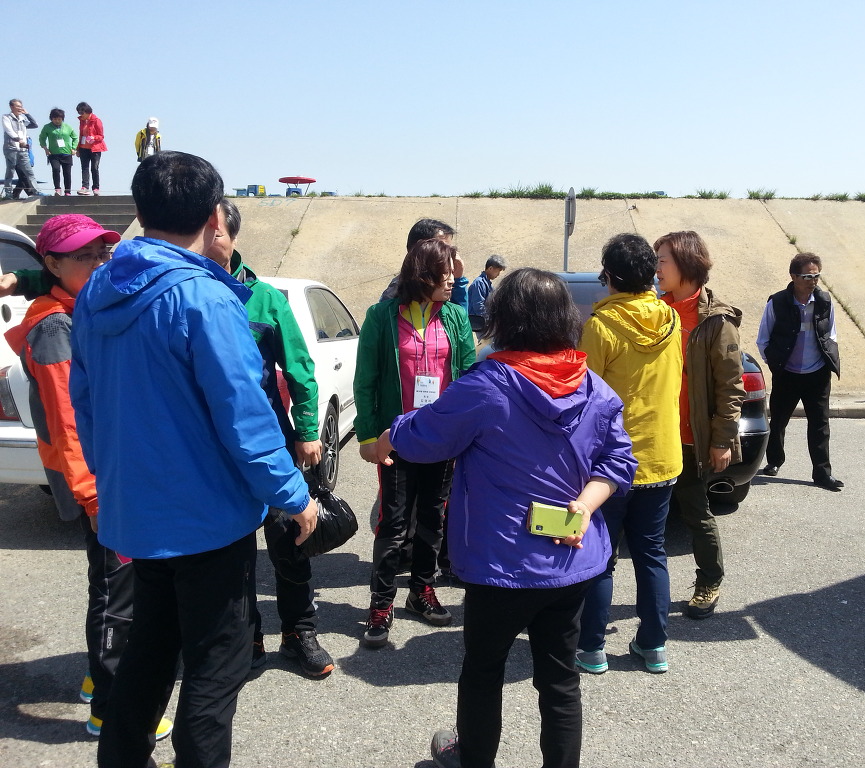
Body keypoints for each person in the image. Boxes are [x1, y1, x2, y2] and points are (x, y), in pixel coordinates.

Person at [70, 151, 318, 768]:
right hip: (208, 521)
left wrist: (111, 479)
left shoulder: (98, 288)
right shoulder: (204, 297)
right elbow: (246, 419)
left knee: (149, 653)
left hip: (138, 516)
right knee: (216, 665)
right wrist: (294, 496)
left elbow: (86, 401)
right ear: (214, 217)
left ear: (139, 211)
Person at [373, 267, 636, 768]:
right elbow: (620, 460)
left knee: (483, 671)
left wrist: (391, 433)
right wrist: (584, 504)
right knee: (560, 680)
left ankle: (474, 760)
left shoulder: (488, 386)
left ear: (505, 319)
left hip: (501, 564)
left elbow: (425, 437)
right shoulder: (594, 388)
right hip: (570, 559)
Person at [3, 215, 173, 743]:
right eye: (85, 256)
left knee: (114, 583)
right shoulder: (56, 327)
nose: (100, 265)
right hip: (96, 479)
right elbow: (67, 420)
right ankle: (111, 708)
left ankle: (98, 676)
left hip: (107, 469)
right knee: (116, 591)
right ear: (53, 264)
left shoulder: (79, 304)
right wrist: (94, 496)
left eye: (103, 254)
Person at [208, 198, 333, 677]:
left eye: (217, 231)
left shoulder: (265, 299)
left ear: (233, 236)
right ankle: (248, 637)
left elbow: (299, 369)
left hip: (272, 441)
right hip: (216, 448)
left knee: (290, 539)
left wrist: (307, 432)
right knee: (233, 550)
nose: (208, 238)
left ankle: (299, 634)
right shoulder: (192, 294)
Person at [355, 236, 474, 648]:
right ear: (423, 275)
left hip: (442, 440)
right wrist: (369, 437)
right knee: (393, 523)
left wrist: (467, 431)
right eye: (445, 273)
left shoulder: (455, 317)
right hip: (397, 439)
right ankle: (381, 603)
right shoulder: (381, 316)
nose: (452, 279)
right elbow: (366, 380)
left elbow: (469, 377)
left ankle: (421, 590)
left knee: (433, 519)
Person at [576, 233, 682, 675]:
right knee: (651, 553)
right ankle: (654, 646)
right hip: (662, 455)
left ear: (610, 276)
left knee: (601, 557)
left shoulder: (601, 326)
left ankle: (592, 648)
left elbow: (583, 401)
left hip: (611, 463)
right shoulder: (671, 320)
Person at [653, 230, 745, 619]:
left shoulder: (716, 321)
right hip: (652, 436)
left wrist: (721, 440)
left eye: (662, 261)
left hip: (689, 439)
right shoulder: (656, 310)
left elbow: (731, 387)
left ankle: (710, 579)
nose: (656, 268)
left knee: (695, 513)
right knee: (635, 519)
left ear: (686, 264)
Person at [755, 252, 843, 491]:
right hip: (787, 373)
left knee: (820, 424)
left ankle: (822, 474)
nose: (813, 281)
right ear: (793, 276)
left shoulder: (824, 300)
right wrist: (775, 364)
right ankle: (774, 461)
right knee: (778, 421)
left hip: (817, 374)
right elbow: (763, 339)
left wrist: (827, 359)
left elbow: (831, 334)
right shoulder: (777, 302)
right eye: (807, 276)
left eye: (816, 276)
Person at [379, 217, 470, 313]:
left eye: (449, 250)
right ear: (420, 250)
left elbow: (460, 319)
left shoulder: (443, 288)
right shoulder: (393, 296)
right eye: (441, 248)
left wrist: (458, 281)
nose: (448, 255)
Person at [3, 99, 39, 199]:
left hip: (23, 150)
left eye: (21, 106)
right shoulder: (6, 117)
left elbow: (34, 124)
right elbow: (9, 131)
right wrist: (19, 140)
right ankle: (8, 193)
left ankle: (36, 191)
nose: (20, 108)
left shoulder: (22, 119)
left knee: (29, 172)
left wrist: (27, 114)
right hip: (11, 149)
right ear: (11, 107)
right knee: (10, 172)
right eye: (18, 106)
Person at [38, 108, 78, 197]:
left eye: (59, 119)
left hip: (67, 153)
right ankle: (57, 189)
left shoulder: (68, 127)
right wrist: (45, 148)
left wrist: (74, 148)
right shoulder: (47, 127)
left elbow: (75, 138)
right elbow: (42, 138)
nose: (57, 121)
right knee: (56, 169)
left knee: (67, 173)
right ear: (51, 118)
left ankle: (67, 191)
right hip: (53, 154)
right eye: (55, 119)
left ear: (62, 119)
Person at [467, 254, 507, 337]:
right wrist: (489, 320)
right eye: (498, 271)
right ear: (490, 268)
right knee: (487, 343)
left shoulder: (487, 284)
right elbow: (478, 306)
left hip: (486, 323)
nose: (498, 274)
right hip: (482, 323)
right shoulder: (479, 283)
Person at [75, 101, 106, 195]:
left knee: (94, 168)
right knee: (84, 167)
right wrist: (78, 148)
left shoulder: (96, 120)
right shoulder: (81, 121)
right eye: (79, 113)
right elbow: (81, 135)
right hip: (83, 148)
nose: (81, 115)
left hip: (95, 148)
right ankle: (85, 187)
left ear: (87, 111)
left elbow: (101, 136)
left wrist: (94, 138)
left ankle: (96, 188)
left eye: (82, 112)